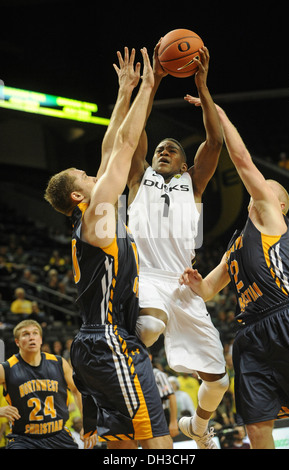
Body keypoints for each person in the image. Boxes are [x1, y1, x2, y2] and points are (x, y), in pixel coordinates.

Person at [44, 47, 172, 450]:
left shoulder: (95, 215)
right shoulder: (96, 216)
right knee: (158, 442)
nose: (93, 171)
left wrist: (125, 90)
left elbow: (109, 146)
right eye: (84, 175)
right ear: (79, 196)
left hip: (94, 345)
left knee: (120, 444)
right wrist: (148, 89)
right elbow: (124, 146)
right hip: (109, 341)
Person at [125, 40, 229, 449]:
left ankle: (197, 428)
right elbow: (135, 133)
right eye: (160, 150)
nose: (164, 151)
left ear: (185, 165)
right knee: (148, 326)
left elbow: (215, 142)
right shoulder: (139, 177)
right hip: (146, 275)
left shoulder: (194, 183)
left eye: (172, 150)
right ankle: (118, 390)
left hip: (183, 284)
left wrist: (203, 85)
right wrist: (151, 84)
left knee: (219, 383)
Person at [180, 98, 289, 449]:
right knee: (256, 425)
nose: (259, 190)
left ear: (277, 205)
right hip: (248, 334)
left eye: (266, 189)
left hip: (284, 317)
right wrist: (194, 283)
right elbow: (208, 291)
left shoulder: (272, 219)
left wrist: (219, 113)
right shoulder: (236, 244)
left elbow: (243, 161)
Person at [0, 319, 82, 449]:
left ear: (41, 339)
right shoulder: (6, 368)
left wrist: (87, 425)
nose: (31, 337)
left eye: (35, 333)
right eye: (26, 334)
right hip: (24, 440)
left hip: (59, 436)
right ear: (17, 342)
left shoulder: (59, 363)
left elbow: (78, 391)